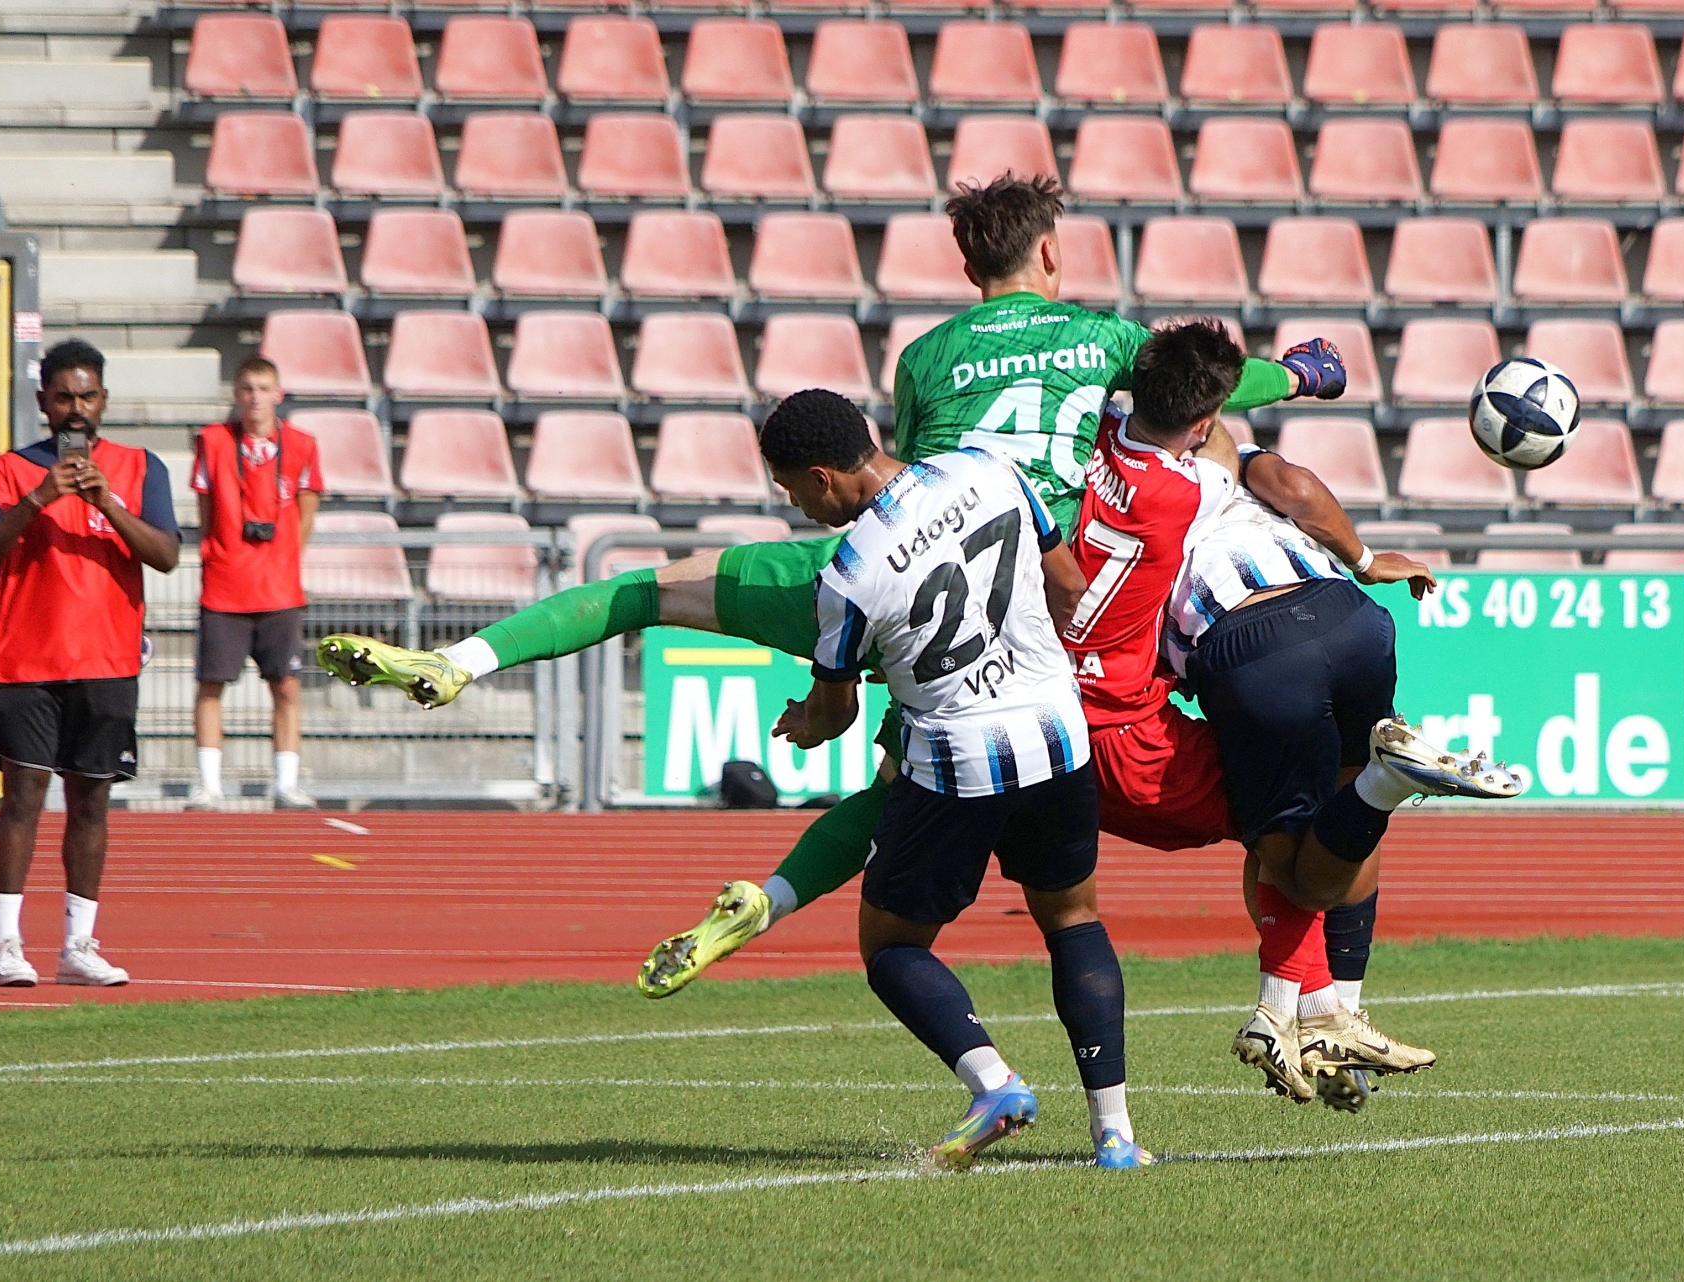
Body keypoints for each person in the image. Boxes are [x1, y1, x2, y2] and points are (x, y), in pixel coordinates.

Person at [314, 176, 1343, 995]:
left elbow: (904, 477)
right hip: (1026, 592)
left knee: (650, 590)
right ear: (1050, 255)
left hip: (878, 568)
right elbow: (1203, 385)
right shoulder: (1109, 339)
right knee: (912, 795)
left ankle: (464, 659)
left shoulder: (926, 356)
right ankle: (771, 898)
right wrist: (1301, 373)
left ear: (968, 265)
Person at [763, 389, 1149, 1169]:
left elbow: (836, 712)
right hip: (1056, 734)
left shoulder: (847, 575)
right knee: (1073, 919)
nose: (797, 507)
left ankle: (994, 1083)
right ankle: (1115, 1136)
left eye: (793, 491)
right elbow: (1068, 585)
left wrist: (805, 722)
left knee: (890, 945)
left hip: (957, 763)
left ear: (822, 477)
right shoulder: (988, 468)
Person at [1160, 404, 1522, 1101]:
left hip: (1249, 644)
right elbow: (1297, 488)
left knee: (1288, 863)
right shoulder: (1229, 455)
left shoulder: (1121, 494)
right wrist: (1367, 561)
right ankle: (1338, 1020)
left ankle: (1292, 1007)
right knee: (1343, 816)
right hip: (1350, 618)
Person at [0, 339, 181, 986]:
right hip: (24, 658)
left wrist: (107, 503)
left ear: (104, 399)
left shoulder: (139, 468)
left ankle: (78, 945)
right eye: (64, 397)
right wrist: (38, 499)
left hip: (107, 659)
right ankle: (5, 944)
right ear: (44, 402)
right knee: (23, 797)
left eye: (87, 396)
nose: (76, 408)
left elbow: (166, 555)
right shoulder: (8, 471)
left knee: (91, 802)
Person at [187, 355, 323, 810]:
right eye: (247, 389)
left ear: (278, 394)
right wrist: (219, 553)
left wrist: (282, 560)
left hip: (279, 590)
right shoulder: (213, 442)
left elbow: (306, 513)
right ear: (236, 394)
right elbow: (206, 510)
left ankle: (285, 784)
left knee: (285, 685)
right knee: (211, 684)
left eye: (264, 389)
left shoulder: (301, 445)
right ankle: (209, 785)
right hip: (224, 588)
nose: (255, 398)